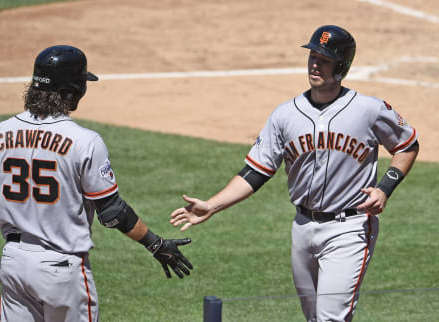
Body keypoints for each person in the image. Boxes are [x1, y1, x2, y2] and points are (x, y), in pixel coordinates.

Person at [170, 25, 419, 321]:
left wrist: (385, 188)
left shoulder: (369, 110)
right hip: (302, 227)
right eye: (313, 56)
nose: (314, 64)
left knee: (330, 318)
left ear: (341, 66)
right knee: (313, 317)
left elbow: (407, 144)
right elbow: (255, 171)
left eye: (324, 59)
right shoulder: (285, 115)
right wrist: (212, 205)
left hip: (349, 228)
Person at [0, 45, 193, 322]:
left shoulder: (0, 133)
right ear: (73, 91)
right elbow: (112, 212)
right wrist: (155, 244)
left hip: (14, 264)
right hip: (62, 271)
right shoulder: (84, 141)